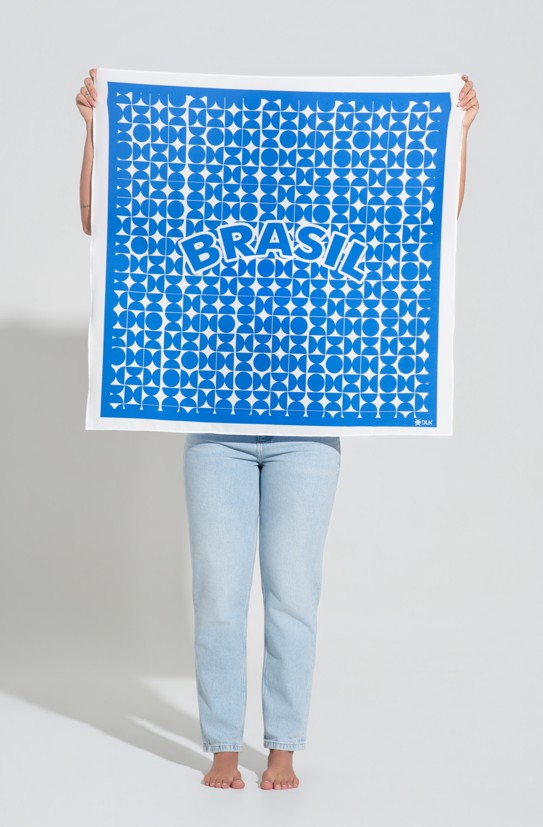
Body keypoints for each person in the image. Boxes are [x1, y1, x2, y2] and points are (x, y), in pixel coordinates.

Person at [76, 69, 479, 790]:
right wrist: (95, 131)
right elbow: (105, 219)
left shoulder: (334, 202)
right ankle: (222, 746)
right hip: (215, 430)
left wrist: (456, 134)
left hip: (309, 432)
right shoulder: (202, 200)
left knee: (293, 593)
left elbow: (426, 226)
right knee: (219, 594)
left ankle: (285, 745)